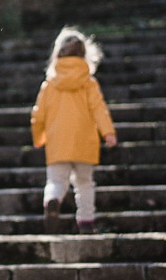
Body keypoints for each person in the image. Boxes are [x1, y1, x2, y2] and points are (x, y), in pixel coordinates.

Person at [30, 26, 118, 233]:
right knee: (85, 183)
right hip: (84, 142)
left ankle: (52, 199)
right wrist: (108, 133)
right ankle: (86, 222)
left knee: (56, 181)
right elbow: (99, 110)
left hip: (58, 142)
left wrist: (39, 137)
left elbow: (38, 114)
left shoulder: (49, 85)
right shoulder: (89, 83)